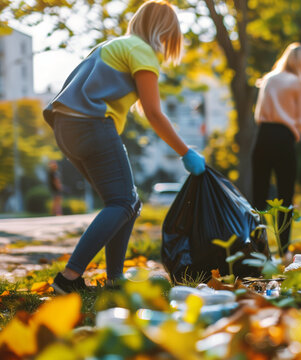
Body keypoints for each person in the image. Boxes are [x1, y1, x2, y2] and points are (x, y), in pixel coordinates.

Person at [43, 0, 206, 293]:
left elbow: (144, 108)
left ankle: (114, 279)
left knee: (125, 202)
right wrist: (186, 151)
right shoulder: (142, 51)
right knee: (123, 202)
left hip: (65, 127)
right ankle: (68, 278)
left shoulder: (114, 45)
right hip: (92, 124)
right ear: (165, 30)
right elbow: (155, 113)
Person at [252, 42, 301, 254]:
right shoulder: (298, 82)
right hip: (283, 140)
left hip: (262, 137)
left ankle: (256, 248)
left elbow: (258, 113)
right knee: (285, 198)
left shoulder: (268, 79)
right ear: (299, 61)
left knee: (258, 198)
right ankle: (283, 250)